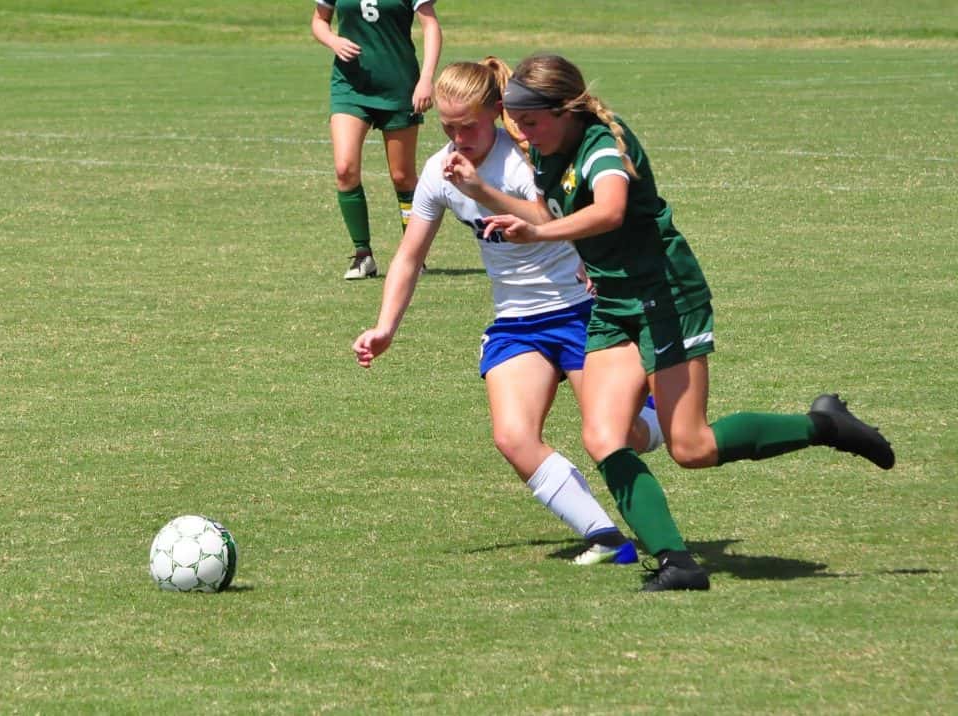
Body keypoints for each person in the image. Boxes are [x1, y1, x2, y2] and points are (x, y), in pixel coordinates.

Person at [476, 53, 895, 591]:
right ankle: (678, 563)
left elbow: (609, 210)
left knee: (691, 448)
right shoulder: (545, 150)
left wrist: (538, 236)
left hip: (666, 295)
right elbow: (554, 213)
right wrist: (506, 210)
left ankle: (826, 425)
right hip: (613, 302)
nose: (522, 134)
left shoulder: (603, 145)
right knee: (604, 436)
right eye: (516, 123)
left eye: (530, 123)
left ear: (565, 110)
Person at [352, 58, 666, 566]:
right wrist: (385, 327)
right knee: (513, 437)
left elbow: (550, 215)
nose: (458, 139)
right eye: (448, 128)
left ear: (498, 112)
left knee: (618, 434)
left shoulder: (528, 157)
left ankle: (656, 416)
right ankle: (606, 537)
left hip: (581, 310)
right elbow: (409, 255)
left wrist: (481, 190)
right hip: (518, 322)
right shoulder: (438, 171)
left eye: (469, 127)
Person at [311, 0, 442, 280]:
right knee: (344, 170)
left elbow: (430, 25)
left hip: (399, 86)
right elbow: (319, 21)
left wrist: (426, 78)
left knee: (402, 177)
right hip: (349, 86)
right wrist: (333, 41)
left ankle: (414, 254)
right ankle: (363, 254)